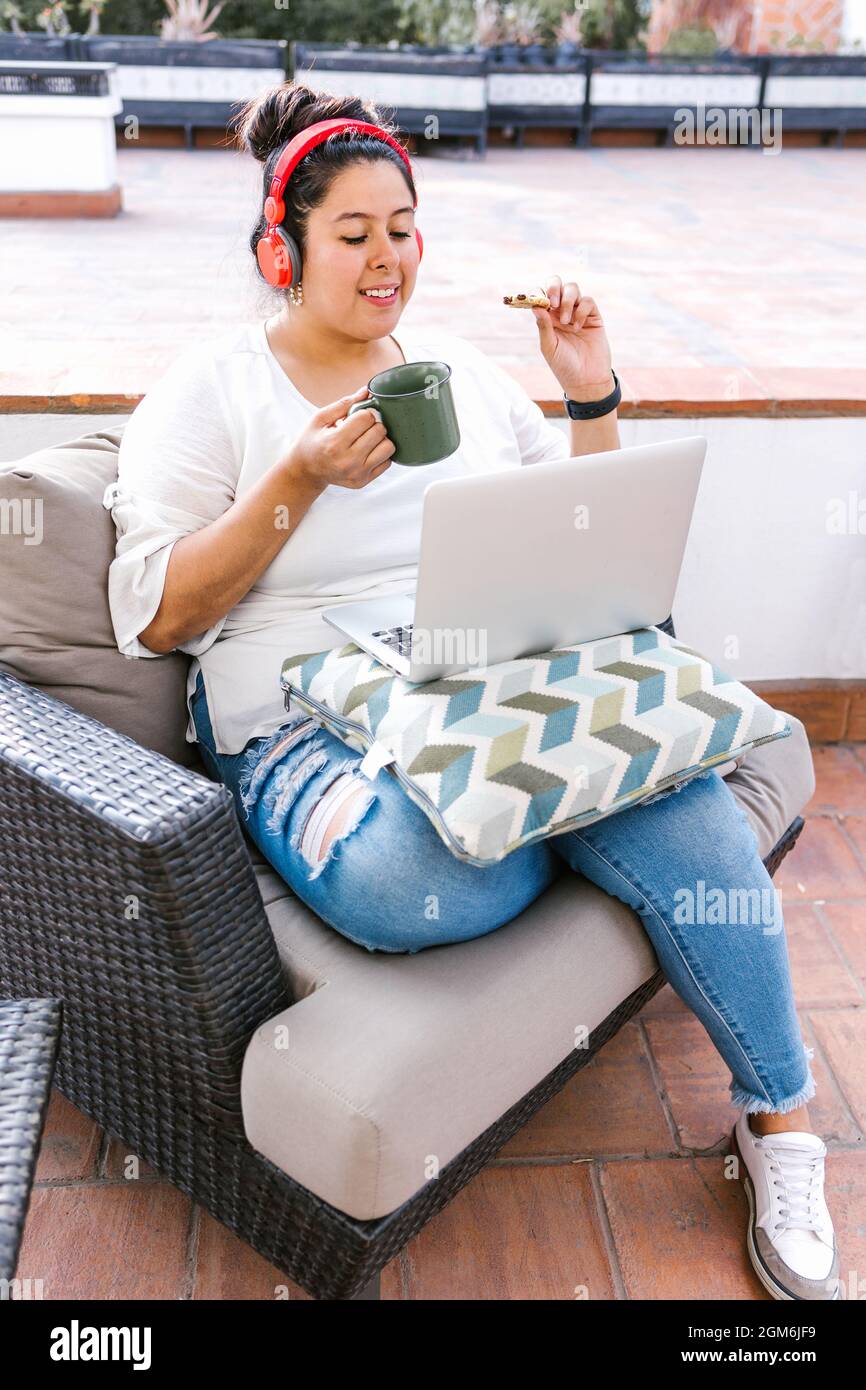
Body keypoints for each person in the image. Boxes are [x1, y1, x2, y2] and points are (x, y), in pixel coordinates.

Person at [102, 81, 839, 1301]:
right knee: (421, 876)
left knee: (670, 792)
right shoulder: (213, 390)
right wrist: (297, 479)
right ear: (281, 249)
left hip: (480, 689)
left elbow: (592, 544)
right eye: (354, 233)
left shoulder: (453, 370)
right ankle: (598, 818)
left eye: (403, 226)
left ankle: (778, 1126)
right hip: (305, 721)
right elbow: (161, 614)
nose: (387, 257)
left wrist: (586, 390)